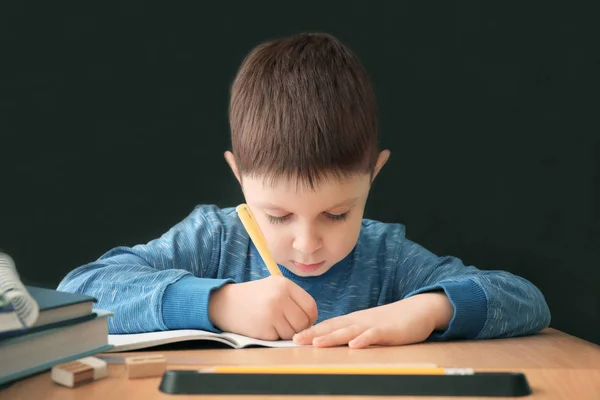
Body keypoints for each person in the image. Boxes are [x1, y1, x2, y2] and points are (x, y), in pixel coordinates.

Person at [57, 32, 551, 349]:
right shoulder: (215, 238)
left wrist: (427, 310)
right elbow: (80, 291)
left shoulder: (387, 256)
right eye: (276, 216)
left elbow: (526, 301)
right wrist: (218, 303)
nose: (308, 243)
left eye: (337, 214)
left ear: (373, 176)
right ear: (239, 177)